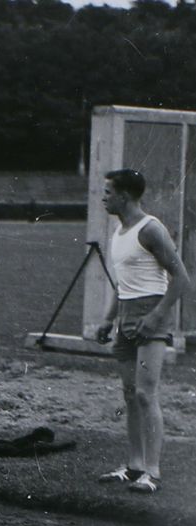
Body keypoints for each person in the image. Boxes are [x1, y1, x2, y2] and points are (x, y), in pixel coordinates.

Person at [95, 169, 192, 494]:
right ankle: (135, 465)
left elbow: (181, 279)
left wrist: (157, 316)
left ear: (124, 195)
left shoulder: (150, 229)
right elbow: (121, 285)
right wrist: (108, 320)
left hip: (150, 317)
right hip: (126, 317)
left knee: (145, 394)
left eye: (108, 192)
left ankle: (153, 470)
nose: (104, 197)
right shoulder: (118, 232)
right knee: (129, 395)